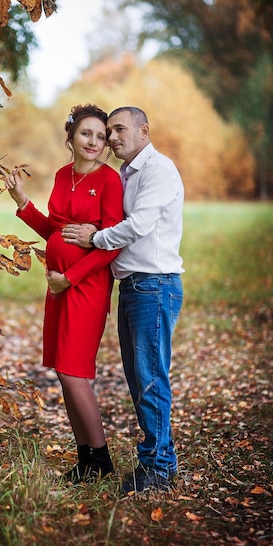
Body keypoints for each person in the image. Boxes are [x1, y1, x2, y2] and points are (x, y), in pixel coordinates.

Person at [62, 106, 184, 494]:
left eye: (118, 130)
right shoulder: (127, 173)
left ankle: (159, 468)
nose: (111, 138)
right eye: (108, 131)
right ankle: (157, 457)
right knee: (138, 378)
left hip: (155, 284)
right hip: (133, 285)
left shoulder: (158, 170)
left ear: (143, 130)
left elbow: (137, 226)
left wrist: (93, 239)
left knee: (150, 379)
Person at [5, 104, 124, 483]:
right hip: (58, 286)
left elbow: (112, 245)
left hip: (84, 285)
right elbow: (54, 232)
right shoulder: (62, 175)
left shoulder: (108, 180)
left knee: (75, 373)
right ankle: (85, 458)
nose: (94, 141)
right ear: (70, 136)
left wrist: (69, 278)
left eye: (101, 137)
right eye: (86, 133)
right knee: (62, 371)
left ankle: (102, 460)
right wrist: (23, 204)